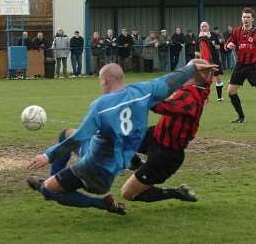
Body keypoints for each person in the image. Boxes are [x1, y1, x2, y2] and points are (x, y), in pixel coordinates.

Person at [26, 62, 216, 215]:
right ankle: (129, 162)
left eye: (101, 82)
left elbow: (79, 138)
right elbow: (169, 81)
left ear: (105, 81)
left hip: (95, 168)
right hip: (113, 154)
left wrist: (47, 155)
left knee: (48, 190)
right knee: (65, 133)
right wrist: (191, 67)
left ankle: (102, 204)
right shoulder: (142, 92)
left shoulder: (101, 105)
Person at [121, 59, 211, 203]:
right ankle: (137, 163)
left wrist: (138, 96)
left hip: (166, 155)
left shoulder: (191, 98)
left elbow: (161, 107)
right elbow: (206, 72)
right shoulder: (199, 86)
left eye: (185, 71)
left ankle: (176, 193)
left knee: (127, 193)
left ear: (192, 76)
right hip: (156, 136)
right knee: (121, 135)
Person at [226, 7, 256, 123]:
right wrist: (228, 45)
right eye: (244, 17)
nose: (246, 19)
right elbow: (229, 42)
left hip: (253, 66)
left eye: (248, 17)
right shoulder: (236, 31)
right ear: (241, 18)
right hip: (240, 66)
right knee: (231, 91)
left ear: (252, 19)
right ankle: (241, 117)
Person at [196, 22, 224, 101]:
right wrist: (198, 61)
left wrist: (212, 42)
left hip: (214, 60)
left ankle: (219, 97)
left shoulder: (213, 35)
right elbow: (197, 52)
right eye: (202, 26)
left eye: (205, 26)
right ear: (200, 28)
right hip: (204, 62)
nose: (204, 27)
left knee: (218, 77)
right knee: (204, 80)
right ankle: (204, 98)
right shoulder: (199, 38)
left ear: (208, 27)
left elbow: (218, 47)